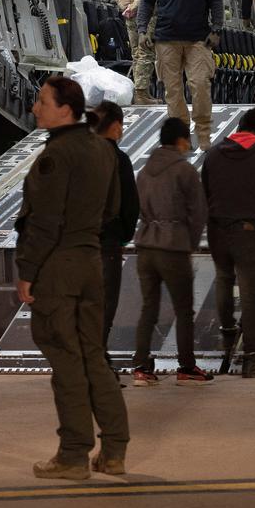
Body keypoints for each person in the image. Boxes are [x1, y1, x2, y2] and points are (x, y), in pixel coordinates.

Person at [14, 76, 128, 480]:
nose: (35, 108)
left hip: (57, 269)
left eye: (42, 101)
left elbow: (44, 222)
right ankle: (113, 451)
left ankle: (73, 455)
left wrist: (27, 272)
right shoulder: (104, 150)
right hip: (92, 263)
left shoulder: (54, 156)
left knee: (65, 360)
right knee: (93, 356)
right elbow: (113, 208)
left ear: (65, 109)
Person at [201, 108, 255, 378]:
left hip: (216, 228)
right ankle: (251, 357)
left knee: (224, 279)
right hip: (249, 230)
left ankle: (227, 335)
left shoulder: (213, 153)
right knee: (250, 293)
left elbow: (205, 191)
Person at [130, 118, 212, 388]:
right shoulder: (184, 170)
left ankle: (141, 367)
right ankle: (186, 367)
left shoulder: (143, 171)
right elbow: (198, 212)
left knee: (148, 308)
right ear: (180, 140)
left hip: (145, 246)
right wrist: (188, 241)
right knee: (184, 309)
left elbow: (138, 208)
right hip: (172, 246)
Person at [137, 0, 225, 148]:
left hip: (198, 39)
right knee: (172, 89)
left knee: (200, 85)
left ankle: (204, 132)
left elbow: (216, 0)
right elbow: (146, 2)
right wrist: (141, 30)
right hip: (166, 39)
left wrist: (217, 28)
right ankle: (181, 135)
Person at [86, 101, 139, 362]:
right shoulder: (118, 160)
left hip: (76, 245)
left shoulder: (78, 157)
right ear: (116, 126)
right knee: (105, 304)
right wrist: (122, 235)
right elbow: (130, 205)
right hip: (106, 243)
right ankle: (97, 362)